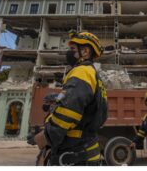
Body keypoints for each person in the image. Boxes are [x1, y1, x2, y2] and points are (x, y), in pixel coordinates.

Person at [37, 31, 108, 166]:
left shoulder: (82, 71)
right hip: (85, 149)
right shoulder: (92, 75)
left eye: (72, 49)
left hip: (75, 156)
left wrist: (47, 136)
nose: (69, 53)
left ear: (85, 51)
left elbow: (68, 112)